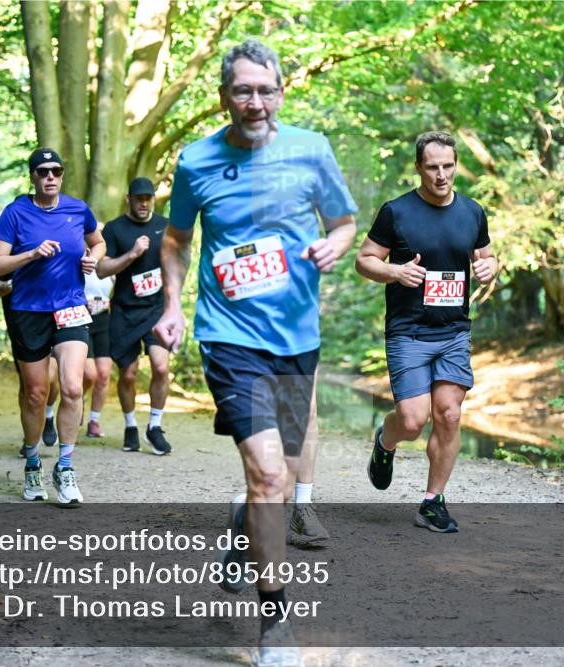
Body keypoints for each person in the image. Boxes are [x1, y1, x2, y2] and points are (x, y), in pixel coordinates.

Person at [154, 39, 357, 664]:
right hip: (229, 336)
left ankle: (244, 531)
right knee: (270, 473)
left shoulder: (312, 151)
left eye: (265, 90)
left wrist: (336, 245)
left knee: (282, 473)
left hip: (298, 339)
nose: (255, 101)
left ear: (281, 92)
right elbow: (175, 240)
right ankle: (275, 622)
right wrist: (172, 305)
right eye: (242, 90)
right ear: (224, 96)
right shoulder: (195, 162)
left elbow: (345, 221)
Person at [355, 131, 498, 533]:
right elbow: (364, 260)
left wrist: (491, 266)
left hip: (453, 331)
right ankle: (386, 440)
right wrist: (395, 271)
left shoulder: (472, 212)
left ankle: (432, 502)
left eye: (448, 166)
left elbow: (486, 256)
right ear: (418, 168)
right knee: (414, 420)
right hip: (409, 332)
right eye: (432, 167)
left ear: (456, 165)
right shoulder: (396, 212)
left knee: (449, 415)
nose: (441, 175)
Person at [0, 148, 106, 506]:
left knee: (73, 386)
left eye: (56, 170)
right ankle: (33, 461)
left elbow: (98, 241)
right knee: (36, 394)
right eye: (43, 171)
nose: (50, 176)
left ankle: (66, 467)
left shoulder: (77, 209)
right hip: (29, 310)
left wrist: (93, 258)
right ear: (33, 177)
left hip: (70, 307)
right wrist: (32, 254)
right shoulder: (15, 213)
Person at [96, 177, 172, 454]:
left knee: (161, 367)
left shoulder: (165, 227)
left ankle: (155, 426)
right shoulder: (115, 229)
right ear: (128, 199)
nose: (143, 203)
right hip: (125, 311)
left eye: (148, 198)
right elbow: (102, 270)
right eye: (138, 198)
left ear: (153, 199)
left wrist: (174, 302)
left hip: (156, 310)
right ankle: (130, 425)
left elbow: (178, 263)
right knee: (127, 375)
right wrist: (132, 254)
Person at [0, 267, 61, 453]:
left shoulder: (61, 240)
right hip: (22, 324)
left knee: (52, 375)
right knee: (29, 385)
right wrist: (12, 285)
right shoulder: (9, 246)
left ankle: (48, 415)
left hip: (57, 318)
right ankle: (30, 439)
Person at [82, 269, 114, 438]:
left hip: (104, 321)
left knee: (103, 375)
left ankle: (94, 421)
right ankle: (78, 399)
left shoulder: (108, 264)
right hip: (81, 319)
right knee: (89, 374)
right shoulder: (77, 258)